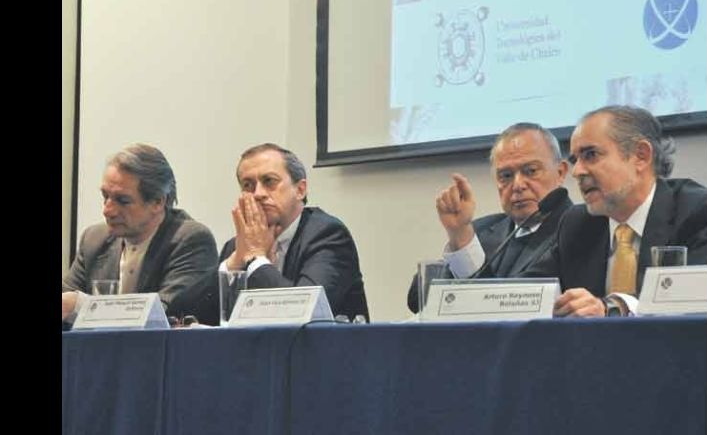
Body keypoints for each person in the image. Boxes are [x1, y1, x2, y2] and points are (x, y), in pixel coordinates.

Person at [525, 105, 707, 317]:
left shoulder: (696, 212)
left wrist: (612, 308)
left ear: (641, 156)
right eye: (575, 160)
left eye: (591, 155)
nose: (577, 172)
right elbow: (529, 294)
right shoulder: (577, 224)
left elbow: (691, 300)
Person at [407, 123, 572, 313]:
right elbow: (418, 300)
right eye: (506, 176)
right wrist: (457, 235)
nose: (518, 185)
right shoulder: (482, 229)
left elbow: (508, 305)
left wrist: (463, 242)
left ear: (560, 173)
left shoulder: (577, 226)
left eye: (531, 171)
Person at [62, 144, 219, 325]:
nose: (108, 210)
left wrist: (80, 306)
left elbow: (161, 314)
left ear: (158, 202)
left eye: (123, 200)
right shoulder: (94, 239)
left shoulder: (191, 240)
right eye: (105, 196)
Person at [216, 143, 369, 321]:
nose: (258, 194)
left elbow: (300, 314)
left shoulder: (328, 235)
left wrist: (256, 259)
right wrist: (235, 261)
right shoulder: (241, 246)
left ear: (300, 189)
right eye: (248, 185)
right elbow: (189, 314)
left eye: (269, 181)